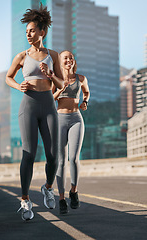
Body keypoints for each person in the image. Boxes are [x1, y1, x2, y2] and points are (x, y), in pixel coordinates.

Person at [6, 5, 64, 221]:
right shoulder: (21, 56)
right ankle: (25, 200)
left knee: (52, 155)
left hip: (48, 105)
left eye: (32, 30)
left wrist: (50, 74)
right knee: (29, 154)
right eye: (26, 31)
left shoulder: (53, 55)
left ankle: (48, 188)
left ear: (42, 32)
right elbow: (8, 77)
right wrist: (18, 86)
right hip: (28, 106)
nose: (28, 34)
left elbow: (61, 84)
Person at [53, 50, 90, 214]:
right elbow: (51, 97)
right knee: (61, 161)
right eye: (65, 58)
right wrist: (61, 90)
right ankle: (61, 198)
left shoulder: (81, 78)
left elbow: (86, 92)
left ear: (74, 61)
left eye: (71, 57)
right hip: (59, 119)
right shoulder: (55, 78)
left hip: (76, 119)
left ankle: (73, 192)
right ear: (60, 62)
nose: (69, 60)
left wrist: (85, 102)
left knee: (74, 158)